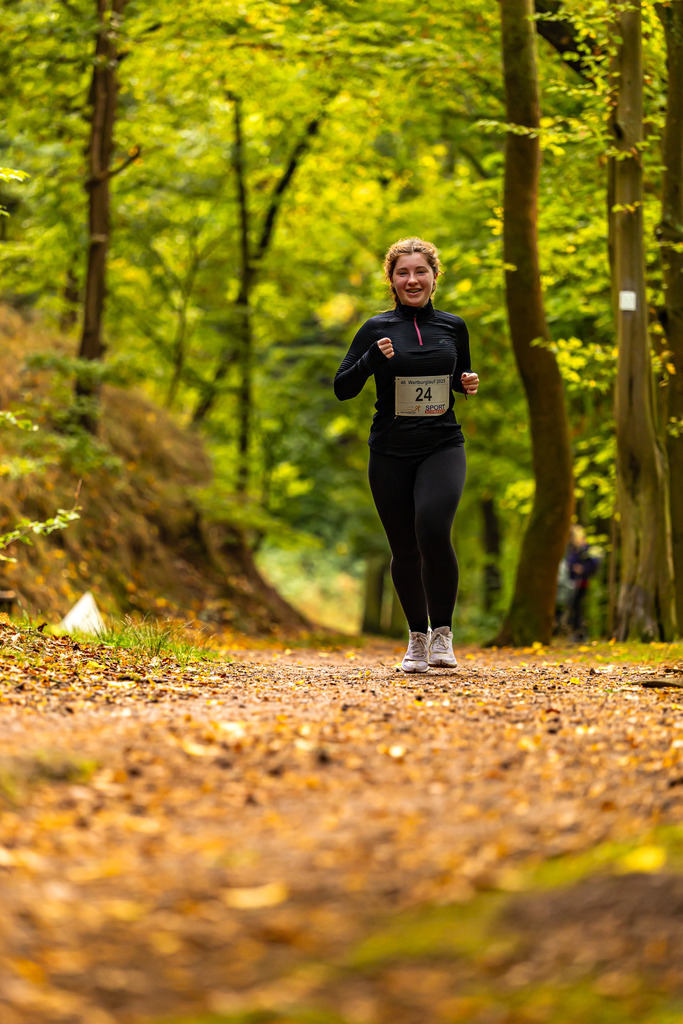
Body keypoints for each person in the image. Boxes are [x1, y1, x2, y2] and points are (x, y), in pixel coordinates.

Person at [334, 237, 479, 672]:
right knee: (404, 546)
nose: (412, 280)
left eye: (420, 272)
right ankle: (417, 638)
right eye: (403, 273)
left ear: (434, 277)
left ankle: (442, 635)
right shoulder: (375, 329)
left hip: (441, 444)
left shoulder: (453, 326)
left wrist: (466, 383)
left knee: (432, 527)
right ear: (392, 281)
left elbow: (458, 375)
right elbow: (343, 388)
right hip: (390, 451)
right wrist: (370, 361)